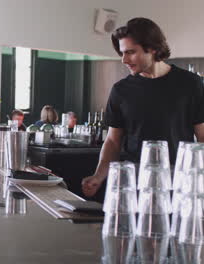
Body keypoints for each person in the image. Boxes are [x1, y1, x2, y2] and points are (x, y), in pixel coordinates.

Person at [82, 17, 204, 198]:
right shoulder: (121, 90)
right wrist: (99, 176)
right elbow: (113, 141)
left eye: (130, 52)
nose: (124, 59)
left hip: (180, 179)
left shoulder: (190, 84)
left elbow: (202, 137)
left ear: (153, 48)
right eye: (122, 53)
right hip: (134, 180)